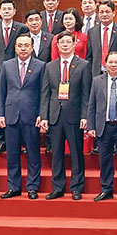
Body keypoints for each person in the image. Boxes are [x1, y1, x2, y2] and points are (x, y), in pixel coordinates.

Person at [39, 31, 91, 201]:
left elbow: (86, 93)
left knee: (76, 153)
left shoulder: (83, 65)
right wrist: (44, 116)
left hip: (74, 115)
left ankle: (76, 187)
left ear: (74, 44)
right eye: (62, 42)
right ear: (57, 45)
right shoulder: (50, 66)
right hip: (55, 115)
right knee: (56, 153)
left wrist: (85, 116)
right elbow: (45, 93)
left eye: (69, 42)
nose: (65, 45)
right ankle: (58, 187)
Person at [0, 33, 45, 199]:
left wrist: (41, 114)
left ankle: (32, 186)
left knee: (33, 153)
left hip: (31, 115)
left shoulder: (40, 66)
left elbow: (43, 93)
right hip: (11, 115)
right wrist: (0, 114)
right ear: (15, 48)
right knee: (12, 154)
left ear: (32, 47)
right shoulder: (6, 65)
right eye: (20, 45)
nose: (23, 48)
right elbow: (1, 91)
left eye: (26, 45)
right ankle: (14, 187)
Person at [86, 51, 117, 202]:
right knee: (104, 159)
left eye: (116, 62)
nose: (113, 65)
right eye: (110, 62)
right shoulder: (97, 81)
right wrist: (91, 125)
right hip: (103, 126)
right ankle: (106, 189)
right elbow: (91, 105)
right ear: (105, 63)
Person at [87, 0, 117, 75]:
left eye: (107, 12)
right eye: (101, 12)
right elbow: (90, 56)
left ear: (113, 13)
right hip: (97, 73)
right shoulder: (92, 32)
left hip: (116, 73)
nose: (104, 14)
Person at [0, 0, 28, 64]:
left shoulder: (22, 29)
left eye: (9, 9)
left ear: (14, 11)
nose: (6, 11)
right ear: (0, 12)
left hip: (15, 66)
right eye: (4, 9)